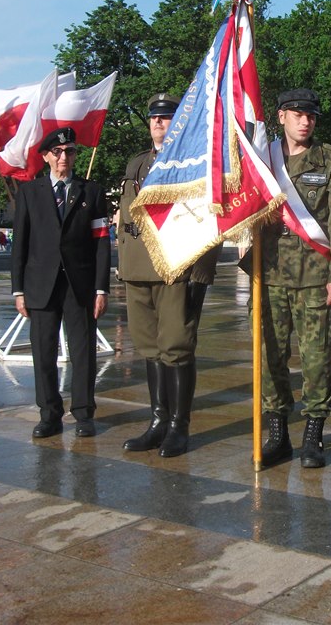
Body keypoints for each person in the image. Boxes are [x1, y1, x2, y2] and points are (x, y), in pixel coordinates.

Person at [255, 88, 331, 469]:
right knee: (271, 358)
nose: (305, 121)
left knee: (316, 361)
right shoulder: (261, 160)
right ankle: (277, 434)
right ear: (281, 117)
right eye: (297, 114)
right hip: (268, 275)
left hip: (315, 277)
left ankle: (313, 435)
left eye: (311, 115)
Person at [119, 93, 220, 458]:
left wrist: (202, 273)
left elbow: (213, 219)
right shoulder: (137, 165)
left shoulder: (196, 164)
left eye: (167, 118)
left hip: (177, 269)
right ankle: (158, 421)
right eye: (154, 118)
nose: (159, 123)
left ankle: (179, 425)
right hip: (139, 270)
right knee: (149, 348)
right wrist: (124, 267)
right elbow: (126, 219)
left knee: (176, 347)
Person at [11, 127, 111, 438]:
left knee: (83, 352)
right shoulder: (30, 192)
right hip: (41, 285)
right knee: (43, 352)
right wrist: (18, 290)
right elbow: (20, 244)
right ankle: (49, 414)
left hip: (79, 286)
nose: (64, 158)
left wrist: (100, 288)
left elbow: (101, 243)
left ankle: (83, 414)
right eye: (57, 152)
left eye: (69, 152)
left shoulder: (91, 192)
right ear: (45, 157)